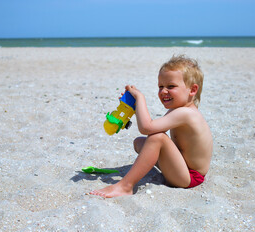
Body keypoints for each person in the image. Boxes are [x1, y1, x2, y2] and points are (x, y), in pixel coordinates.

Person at [90, 55, 213, 198]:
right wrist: (134, 107)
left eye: (171, 86)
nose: (163, 91)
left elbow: (147, 128)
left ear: (192, 90)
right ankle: (129, 182)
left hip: (189, 177)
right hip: (181, 168)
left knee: (158, 138)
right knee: (140, 143)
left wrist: (140, 98)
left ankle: (126, 186)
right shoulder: (178, 111)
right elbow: (151, 127)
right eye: (161, 86)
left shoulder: (186, 113)